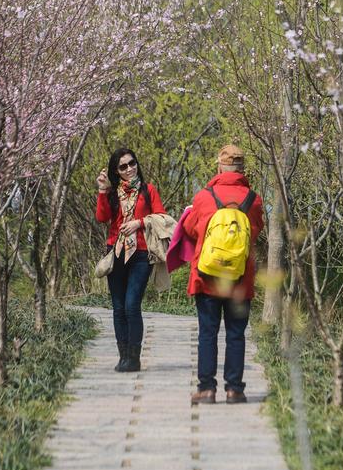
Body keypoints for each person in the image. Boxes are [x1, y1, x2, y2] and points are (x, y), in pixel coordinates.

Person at [182, 144, 264, 404]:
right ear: (242, 170)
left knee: (207, 333)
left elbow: (192, 230)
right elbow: (255, 231)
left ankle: (207, 389)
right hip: (240, 278)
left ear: (219, 167)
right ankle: (234, 390)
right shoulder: (254, 200)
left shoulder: (204, 197)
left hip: (207, 276)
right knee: (235, 334)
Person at [96, 148, 166, 372]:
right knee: (118, 308)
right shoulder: (112, 192)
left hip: (141, 254)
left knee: (132, 305)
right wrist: (102, 190)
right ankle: (123, 356)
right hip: (115, 253)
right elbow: (102, 218)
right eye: (123, 166)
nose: (129, 169)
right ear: (116, 171)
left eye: (132, 163)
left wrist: (139, 223)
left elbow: (162, 217)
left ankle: (134, 358)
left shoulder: (148, 190)